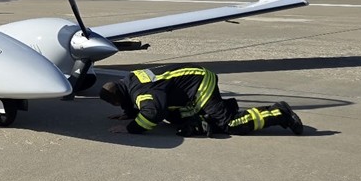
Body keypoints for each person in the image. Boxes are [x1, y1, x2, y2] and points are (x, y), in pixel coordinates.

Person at [99, 67, 303, 136]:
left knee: (228, 124)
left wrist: (131, 128)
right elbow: (134, 99)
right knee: (179, 119)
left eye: (116, 103)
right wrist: (129, 113)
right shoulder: (129, 81)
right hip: (188, 85)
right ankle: (225, 108)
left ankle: (280, 114)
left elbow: (153, 113)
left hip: (199, 83)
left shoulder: (143, 93)